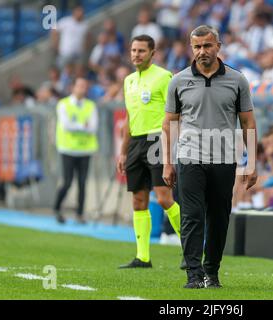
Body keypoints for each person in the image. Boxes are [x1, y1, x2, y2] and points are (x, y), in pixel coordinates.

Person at [162, 25, 258, 289]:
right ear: (191, 48)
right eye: (197, 46)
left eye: (207, 45)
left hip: (224, 158)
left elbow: (248, 123)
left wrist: (252, 162)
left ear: (218, 46)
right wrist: (168, 163)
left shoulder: (237, 80)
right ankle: (193, 275)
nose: (202, 51)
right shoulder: (178, 81)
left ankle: (211, 272)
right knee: (192, 216)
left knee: (218, 217)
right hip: (190, 157)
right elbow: (169, 124)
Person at [117, 35, 181, 269]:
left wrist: (170, 144)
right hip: (135, 143)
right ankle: (143, 257)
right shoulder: (129, 81)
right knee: (138, 199)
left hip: (157, 140)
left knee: (164, 199)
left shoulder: (165, 77)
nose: (136, 54)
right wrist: (123, 151)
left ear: (153, 53)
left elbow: (176, 113)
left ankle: (190, 250)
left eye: (142, 51)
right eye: (133, 50)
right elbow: (128, 118)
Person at [53, 78, 98, 224]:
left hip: (85, 150)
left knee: (82, 183)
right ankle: (57, 207)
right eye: (79, 86)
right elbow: (66, 125)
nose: (82, 89)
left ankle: (80, 214)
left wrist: (78, 126)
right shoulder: (63, 104)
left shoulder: (91, 106)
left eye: (85, 86)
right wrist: (82, 126)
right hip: (68, 148)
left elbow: (93, 127)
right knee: (67, 182)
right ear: (73, 87)